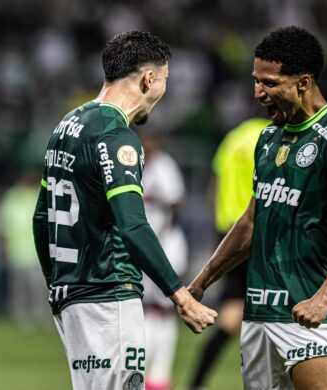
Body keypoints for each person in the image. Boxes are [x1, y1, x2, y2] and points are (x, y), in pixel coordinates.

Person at [188, 26, 327, 390]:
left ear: (303, 83)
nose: (258, 92)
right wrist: (199, 284)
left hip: (307, 318)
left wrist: (324, 298)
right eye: (256, 80)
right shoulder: (267, 139)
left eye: (270, 83)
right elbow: (251, 222)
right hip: (258, 317)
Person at [33, 31, 217, 390]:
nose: (163, 92)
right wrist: (180, 295)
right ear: (149, 79)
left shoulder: (66, 126)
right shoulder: (117, 137)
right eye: (164, 80)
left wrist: (54, 281)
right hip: (108, 294)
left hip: (70, 295)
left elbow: (42, 218)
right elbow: (133, 226)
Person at [189, 117, 269, 390]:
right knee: (272, 309)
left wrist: (219, 227)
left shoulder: (232, 138)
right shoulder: (272, 137)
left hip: (228, 233)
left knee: (232, 311)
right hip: (259, 231)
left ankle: (195, 383)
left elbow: (215, 184)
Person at [140, 132, 189, 390]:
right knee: (150, 308)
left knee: (163, 309)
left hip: (166, 247)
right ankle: (154, 376)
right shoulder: (141, 167)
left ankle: (159, 376)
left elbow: (175, 203)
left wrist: (162, 237)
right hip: (148, 248)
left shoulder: (164, 166)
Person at [0, 171, 51, 331]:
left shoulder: (38, 195)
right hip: (17, 252)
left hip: (36, 254)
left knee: (39, 290)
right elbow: (4, 224)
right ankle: (23, 320)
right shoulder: (13, 197)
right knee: (20, 290)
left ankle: (42, 319)